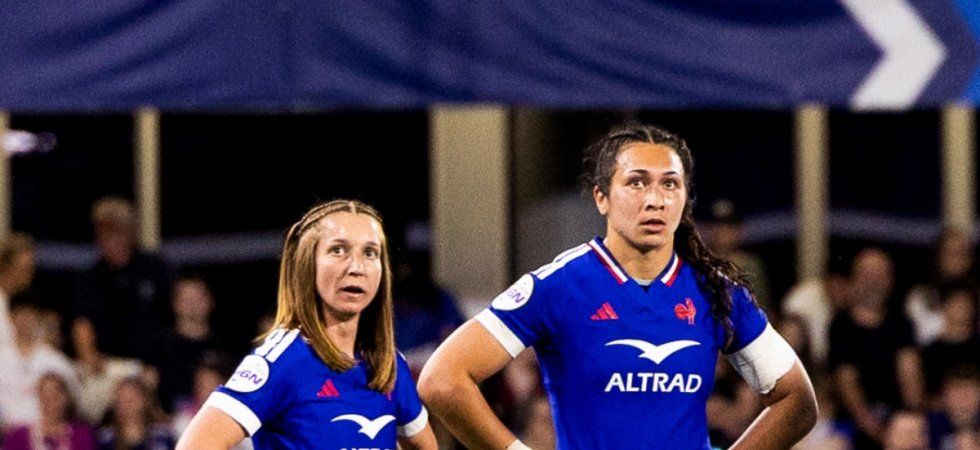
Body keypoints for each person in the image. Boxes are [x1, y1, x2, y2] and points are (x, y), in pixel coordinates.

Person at [419, 123, 817, 449]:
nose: (655, 200)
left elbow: (796, 400)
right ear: (601, 198)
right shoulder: (560, 286)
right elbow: (443, 379)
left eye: (670, 184)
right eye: (637, 183)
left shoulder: (718, 292)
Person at [177, 200, 437, 450]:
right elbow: (196, 444)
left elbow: (424, 445)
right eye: (338, 250)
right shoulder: (283, 359)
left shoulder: (389, 364)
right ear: (307, 264)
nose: (356, 267)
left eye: (370, 253)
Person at [829, 248, 924, 449]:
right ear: (854, 279)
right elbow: (846, 381)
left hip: (898, 419)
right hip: (853, 423)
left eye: (880, 275)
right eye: (867, 275)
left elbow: (910, 374)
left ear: (890, 280)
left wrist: (911, 421)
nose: (873, 282)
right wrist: (875, 431)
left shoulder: (902, 323)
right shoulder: (840, 325)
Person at [72, 197, 171, 371]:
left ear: (131, 233)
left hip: (150, 366)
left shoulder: (154, 268)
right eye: (106, 234)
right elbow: (82, 322)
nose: (113, 240)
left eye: (119, 232)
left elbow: (170, 316)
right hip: (108, 367)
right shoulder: (90, 277)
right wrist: (89, 356)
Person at [3, 372, 96, 450]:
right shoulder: (18, 436)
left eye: (55, 394)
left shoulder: (82, 435)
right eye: (44, 395)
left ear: (66, 398)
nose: (50, 400)